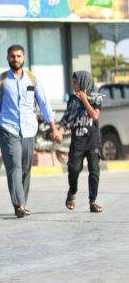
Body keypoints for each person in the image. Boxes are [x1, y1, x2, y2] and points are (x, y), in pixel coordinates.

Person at [0, 45, 59, 218]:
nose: (15, 59)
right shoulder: (0, 80)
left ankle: (22, 202)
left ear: (24, 58)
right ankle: (18, 203)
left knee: (26, 167)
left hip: (29, 130)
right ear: (8, 58)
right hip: (8, 129)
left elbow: (44, 104)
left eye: (18, 56)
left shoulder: (33, 80)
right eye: (12, 56)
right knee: (14, 167)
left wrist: (54, 128)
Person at [57, 71, 103, 213]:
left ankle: (92, 201)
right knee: (74, 170)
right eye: (73, 82)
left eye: (76, 82)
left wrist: (84, 99)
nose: (74, 85)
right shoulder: (73, 99)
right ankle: (72, 192)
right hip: (78, 140)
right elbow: (68, 117)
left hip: (93, 140)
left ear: (85, 82)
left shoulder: (97, 97)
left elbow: (94, 115)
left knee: (94, 171)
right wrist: (60, 130)